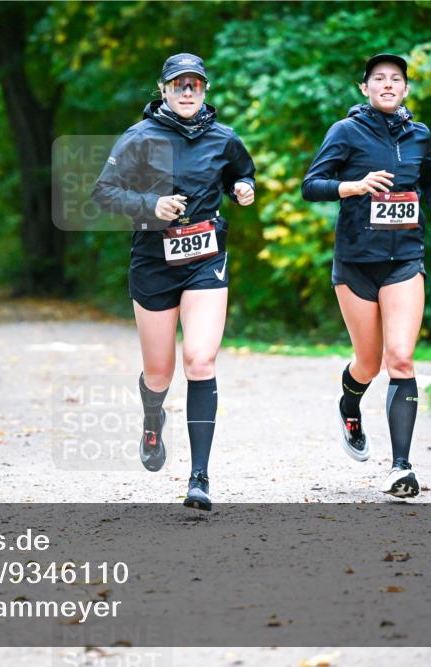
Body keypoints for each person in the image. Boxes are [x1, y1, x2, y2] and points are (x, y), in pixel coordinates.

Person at [92, 53, 256, 511]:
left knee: (200, 361)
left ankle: (199, 478)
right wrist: (151, 205)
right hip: (153, 261)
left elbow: (241, 172)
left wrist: (243, 188)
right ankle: (152, 416)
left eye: (194, 84)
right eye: (178, 84)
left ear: (205, 90)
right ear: (162, 89)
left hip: (206, 257)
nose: (187, 91)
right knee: (159, 373)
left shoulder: (224, 137)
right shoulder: (139, 137)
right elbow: (103, 192)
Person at [301, 53, 431, 498]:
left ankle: (401, 468)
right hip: (356, 262)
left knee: (400, 359)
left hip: (404, 258)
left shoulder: (419, 134)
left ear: (405, 89)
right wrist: (353, 186)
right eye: (379, 78)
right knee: (368, 363)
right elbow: (311, 185)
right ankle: (350, 405)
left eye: (396, 79)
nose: (388, 84)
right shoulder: (345, 131)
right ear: (364, 88)